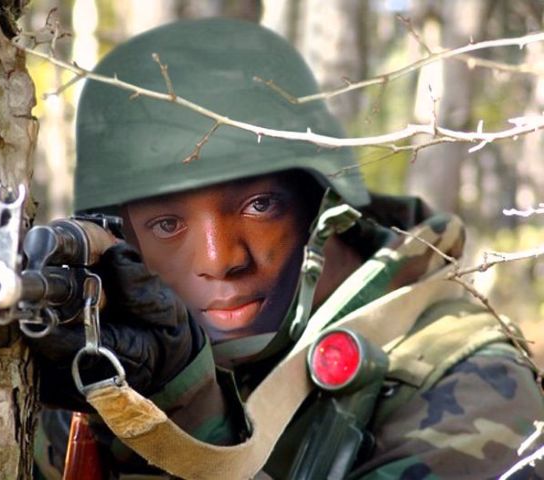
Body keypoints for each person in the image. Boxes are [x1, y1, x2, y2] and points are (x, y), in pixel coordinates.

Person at [31, 18, 544, 479]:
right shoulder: (132, 353)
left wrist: (185, 408)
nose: (220, 260)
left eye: (259, 206)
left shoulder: (471, 383)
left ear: (324, 204)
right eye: (167, 224)